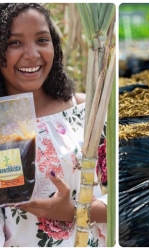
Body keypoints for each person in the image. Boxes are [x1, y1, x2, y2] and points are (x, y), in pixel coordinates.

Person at [0, 3, 107, 247]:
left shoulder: (89, 111)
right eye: (14, 42)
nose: (32, 54)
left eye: (42, 40)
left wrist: (76, 211)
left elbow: (127, 196)